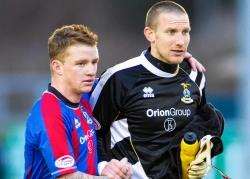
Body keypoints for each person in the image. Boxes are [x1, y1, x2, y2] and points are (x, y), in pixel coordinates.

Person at [90, 1, 224, 179]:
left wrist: (204, 150)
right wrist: (102, 165)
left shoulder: (195, 77)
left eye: (185, 32)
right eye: (171, 32)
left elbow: (200, 126)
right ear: (150, 34)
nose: (180, 41)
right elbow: (90, 132)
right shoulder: (119, 78)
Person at [24, 24, 132, 179]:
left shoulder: (87, 95)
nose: (91, 71)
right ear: (57, 67)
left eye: (94, 62)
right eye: (81, 64)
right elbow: (67, 176)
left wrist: (107, 168)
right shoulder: (49, 112)